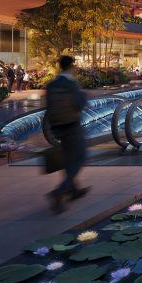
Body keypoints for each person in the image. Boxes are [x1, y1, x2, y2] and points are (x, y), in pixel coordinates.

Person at [45, 56, 90, 213]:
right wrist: (84, 96)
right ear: (71, 66)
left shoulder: (51, 84)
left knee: (68, 158)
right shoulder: (71, 84)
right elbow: (78, 104)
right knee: (80, 157)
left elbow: (49, 107)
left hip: (57, 127)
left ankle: (74, 190)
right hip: (72, 126)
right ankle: (59, 191)